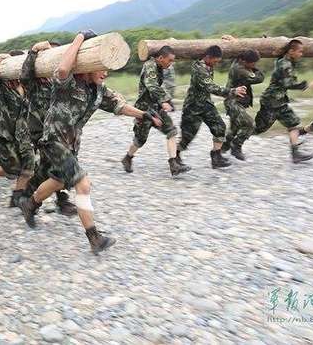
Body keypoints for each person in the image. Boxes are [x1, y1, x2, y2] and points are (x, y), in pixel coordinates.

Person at [18, 31, 163, 254]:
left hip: (72, 143)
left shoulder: (98, 91)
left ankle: (31, 204)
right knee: (83, 183)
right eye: (101, 66)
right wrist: (79, 39)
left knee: (57, 180)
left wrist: (144, 115)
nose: (105, 73)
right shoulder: (67, 84)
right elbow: (64, 69)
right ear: (87, 66)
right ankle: (94, 238)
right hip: (53, 141)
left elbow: (120, 106)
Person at [21, 40, 77, 215]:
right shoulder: (36, 83)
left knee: (50, 167)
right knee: (61, 166)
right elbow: (24, 76)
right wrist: (33, 52)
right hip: (41, 131)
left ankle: (28, 195)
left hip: (63, 132)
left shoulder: (63, 80)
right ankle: (57, 200)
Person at [0, 53, 37, 209]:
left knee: (29, 166)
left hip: (25, 134)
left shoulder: (27, 84)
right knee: (12, 170)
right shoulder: (1, 87)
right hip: (6, 133)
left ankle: (17, 198)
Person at [122, 45, 189, 176]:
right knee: (140, 139)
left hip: (156, 107)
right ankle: (127, 158)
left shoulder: (160, 67)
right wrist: (164, 100)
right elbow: (151, 85)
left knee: (171, 131)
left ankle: (173, 164)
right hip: (144, 109)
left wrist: (166, 100)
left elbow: (160, 86)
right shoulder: (150, 66)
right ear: (160, 58)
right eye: (169, 60)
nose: (171, 63)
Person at [177, 45, 246, 169]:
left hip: (206, 104)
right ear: (208, 57)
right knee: (187, 136)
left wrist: (230, 41)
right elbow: (211, 87)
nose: (216, 64)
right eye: (215, 61)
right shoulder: (199, 68)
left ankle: (216, 157)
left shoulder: (208, 64)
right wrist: (232, 91)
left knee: (220, 127)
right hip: (193, 106)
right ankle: (175, 157)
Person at [254, 39, 313, 163]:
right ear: (291, 51)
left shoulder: (285, 61)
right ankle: (234, 139)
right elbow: (289, 84)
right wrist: (307, 85)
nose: (301, 54)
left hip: (279, 101)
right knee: (259, 129)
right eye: (300, 52)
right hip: (271, 101)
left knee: (293, 124)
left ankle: (295, 154)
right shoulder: (285, 64)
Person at [222, 49, 265, 160]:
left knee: (234, 128)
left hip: (237, 102)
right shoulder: (239, 69)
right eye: (253, 63)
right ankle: (236, 146)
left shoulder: (238, 61)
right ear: (244, 61)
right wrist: (254, 69)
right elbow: (259, 78)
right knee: (250, 124)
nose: (254, 65)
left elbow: (243, 49)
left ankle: (221, 149)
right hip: (233, 102)